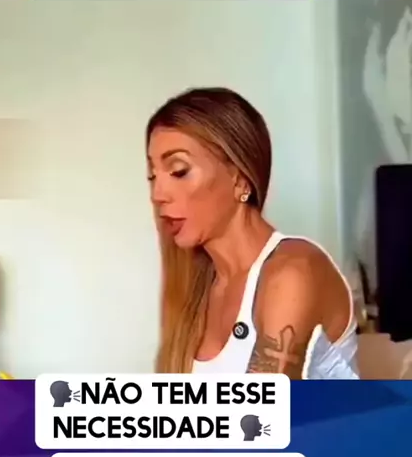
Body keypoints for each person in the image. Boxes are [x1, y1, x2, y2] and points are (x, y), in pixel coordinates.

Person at [146, 87, 359, 379]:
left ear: (239, 179)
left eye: (179, 171)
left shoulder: (293, 271)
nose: (158, 194)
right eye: (152, 176)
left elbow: (262, 406)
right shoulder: (196, 290)